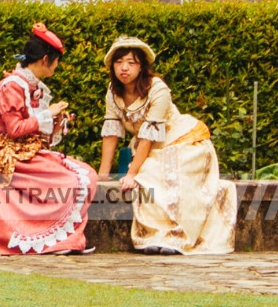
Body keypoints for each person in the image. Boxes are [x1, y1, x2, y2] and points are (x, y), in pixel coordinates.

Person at [0, 23, 97, 255]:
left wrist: (55, 122)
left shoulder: (29, 85)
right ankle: (48, 241)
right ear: (46, 59)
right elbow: (15, 129)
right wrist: (50, 114)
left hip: (22, 149)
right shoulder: (14, 86)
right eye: (56, 61)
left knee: (82, 175)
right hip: (1, 150)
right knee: (67, 181)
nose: (57, 67)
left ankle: (60, 240)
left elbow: (30, 129)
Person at [98, 35, 237, 255]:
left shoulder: (157, 89)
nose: (124, 68)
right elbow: (111, 132)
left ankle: (176, 237)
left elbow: (149, 137)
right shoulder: (113, 92)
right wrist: (102, 176)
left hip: (187, 143)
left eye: (131, 63)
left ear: (142, 66)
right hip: (154, 150)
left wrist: (132, 173)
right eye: (119, 62)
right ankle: (156, 235)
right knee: (150, 171)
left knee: (150, 173)